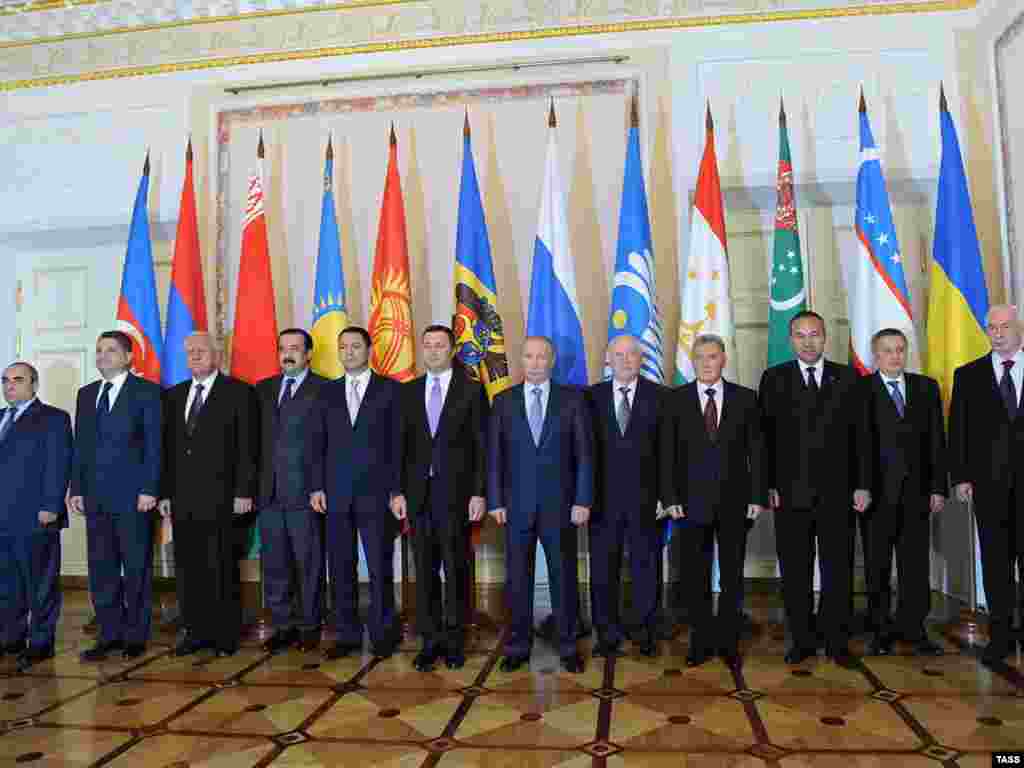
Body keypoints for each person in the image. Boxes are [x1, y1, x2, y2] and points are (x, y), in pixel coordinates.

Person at [758, 311, 871, 666]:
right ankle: (802, 639)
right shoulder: (773, 379)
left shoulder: (849, 378)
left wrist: (862, 486)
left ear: (825, 337)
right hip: (789, 494)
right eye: (801, 335)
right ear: (791, 340)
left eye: (815, 334)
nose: (808, 341)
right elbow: (763, 441)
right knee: (796, 570)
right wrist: (767, 486)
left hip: (839, 493)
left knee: (838, 569)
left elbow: (862, 438)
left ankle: (837, 640)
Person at [488, 336, 594, 674]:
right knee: (518, 578)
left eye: (542, 357)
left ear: (551, 360)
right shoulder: (503, 401)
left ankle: (567, 645)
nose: (535, 363)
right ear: (522, 360)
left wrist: (582, 500)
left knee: (564, 576)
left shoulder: (572, 400)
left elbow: (585, 456)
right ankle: (518, 646)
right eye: (529, 356)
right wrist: (495, 500)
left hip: (561, 506)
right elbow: (494, 457)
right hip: (515, 507)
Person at [661, 335, 765, 668]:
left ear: (724, 360)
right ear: (693, 361)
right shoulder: (675, 400)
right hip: (690, 504)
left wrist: (757, 496)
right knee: (696, 575)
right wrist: (670, 497)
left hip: (735, 502)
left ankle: (729, 641)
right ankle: (701, 639)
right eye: (702, 357)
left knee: (732, 575)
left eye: (714, 357)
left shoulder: (746, 398)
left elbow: (758, 453)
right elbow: (666, 456)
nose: (708, 363)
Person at [391, 325, 486, 672]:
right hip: (417, 496)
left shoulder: (472, 391)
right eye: (427, 345)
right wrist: (397, 491)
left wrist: (479, 492)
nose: (432, 351)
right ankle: (430, 641)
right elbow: (397, 448)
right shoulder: (408, 392)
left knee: (456, 568)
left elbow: (481, 447)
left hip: (456, 495)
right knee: (425, 569)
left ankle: (455, 640)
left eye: (439, 345)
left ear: (452, 350)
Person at [160, 333, 259, 657]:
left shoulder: (238, 392)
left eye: (201, 350)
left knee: (221, 565)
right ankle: (195, 631)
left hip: (224, 496)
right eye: (189, 351)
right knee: (188, 567)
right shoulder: (173, 396)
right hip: (183, 499)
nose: (195, 355)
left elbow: (248, 446)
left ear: (217, 354)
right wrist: (165, 493)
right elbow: (168, 450)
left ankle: (224, 634)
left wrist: (244, 491)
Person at [70, 331, 162, 661]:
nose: (102, 356)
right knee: (102, 569)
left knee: (135, 567)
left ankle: (135, 635)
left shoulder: (147, 393)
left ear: (128, 357)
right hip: (95, 498)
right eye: (98, 351)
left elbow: (154, 445)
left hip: (134, 498)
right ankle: (109, 634)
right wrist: (76, 489)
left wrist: (150, 488)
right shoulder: (86, 394)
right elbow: (80, 447)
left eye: (110, 350)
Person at [311, 326, 402, 660]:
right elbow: (316, 443)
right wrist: (316, 486)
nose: (348, 352)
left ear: (369, 350)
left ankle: (383, 633)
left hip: (376, 495)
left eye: (355, 346)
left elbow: (397, 446)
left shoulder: (391, 391)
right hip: (335, 495)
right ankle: (347, 634)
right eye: (343, 347)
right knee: (341, 566)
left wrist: (396, 490)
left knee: (380, 566)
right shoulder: (326, 393)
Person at [861, 328, 946, 656]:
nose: (895, 356)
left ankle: (914, 628)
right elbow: (858, 445)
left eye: (900, 349)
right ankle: (880, 629)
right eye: (887, 350)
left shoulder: (926, 388)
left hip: (917, 495)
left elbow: (937, 441)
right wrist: (861, 487)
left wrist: (938, 487)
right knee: (877, 566)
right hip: (875, 496)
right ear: (875, 355)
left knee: (915, 566)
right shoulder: (862, 389)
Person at [949, 304, 1024, 664]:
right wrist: (961, 476)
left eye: (1004, 326)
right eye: (992, 327)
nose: (997, 333)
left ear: (1018, 328)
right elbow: (958, 431)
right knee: (995, 564)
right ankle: (1001, 635)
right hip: (989, 487)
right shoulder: (968, 375)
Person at [587, 335, 667, 658]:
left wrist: (666, 495)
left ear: (641, 358)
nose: (624, 360)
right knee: (603, 570)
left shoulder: (661, 397)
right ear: (609, 358)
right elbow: (583, 453)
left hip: (648, 501)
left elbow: (668, 452)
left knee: (646, 568)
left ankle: (645, 632)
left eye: (631, 354)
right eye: (618, 355)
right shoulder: (590, 397)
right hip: (602, 502)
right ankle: (606, 634)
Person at [255, 328, 330, 654]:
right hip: (269, 494)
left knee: (308, 564)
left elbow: (330, 445)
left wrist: (320, 486)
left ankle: (310, 626)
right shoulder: (263, 389)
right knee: (274, 565)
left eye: (295, 348)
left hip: (305, 493)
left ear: (308, 353)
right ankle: (283, 625)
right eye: (283, 348)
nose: (288, 354)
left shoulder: (326, 389)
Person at [0, 362, 72, 669]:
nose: (9, 385)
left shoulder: (53, 418)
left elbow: (59, 463)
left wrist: (51, 505)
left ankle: (41, 642)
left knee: (40, 583)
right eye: (5, 380)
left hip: (36, 515)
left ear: (34, 384)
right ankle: (11, 638)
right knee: (7, 584)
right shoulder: (1, 417)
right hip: (3, 518)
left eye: (17, 380)